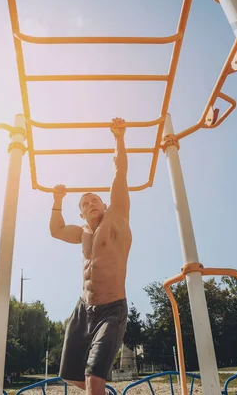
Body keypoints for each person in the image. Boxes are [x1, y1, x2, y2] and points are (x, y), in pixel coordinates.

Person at [49, 117, 132, 395]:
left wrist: (118, 137)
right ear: (81, 213)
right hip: (83, 309)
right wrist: (58, 200)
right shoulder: (82, 232)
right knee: (70, 377)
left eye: (94, 199)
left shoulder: (117, 217)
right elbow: (56, 230)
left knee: (94, 377)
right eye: (84, 203)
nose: (89, 203)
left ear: (104, 203)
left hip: (111, 309)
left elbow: (120, 174)